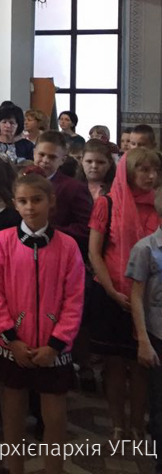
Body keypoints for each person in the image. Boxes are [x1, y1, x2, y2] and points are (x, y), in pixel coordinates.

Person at [0, 172, 84, 474]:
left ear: (51, 201)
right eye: (23, 201)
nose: (30, 207)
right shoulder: (2, 241)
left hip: (53, 349)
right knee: (13, 416)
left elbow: (74, 298)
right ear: (15, 204)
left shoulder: (68, 246)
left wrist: (56, 344)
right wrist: (11, 339)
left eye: (37, 200)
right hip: (14, 345)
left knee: (54, 419)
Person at [88, 149, 162, 440]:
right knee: (115, 363)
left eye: (155, 170)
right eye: (143, 170)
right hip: (113, 293)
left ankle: (138, 422)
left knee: (143, 365)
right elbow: (95, 252)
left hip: (150, 299)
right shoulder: (108, 203)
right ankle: (118, 423)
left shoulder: (157, 204)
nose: (151, 176)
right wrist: (111, 290)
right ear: (128, 172)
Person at [124, 189, 162, 462]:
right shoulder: (146, 248)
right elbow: (136, 296)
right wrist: (143, 341)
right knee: (159, 402)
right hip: (158, 334)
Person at [35, 130, 93, 259]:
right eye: (41, 154)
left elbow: (86, 228)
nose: (45, 160)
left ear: (62, 160)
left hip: (58, 253)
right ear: (34, 153)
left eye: (52, 157)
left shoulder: (74, 188)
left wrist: (50, 230)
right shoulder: (23, 181)